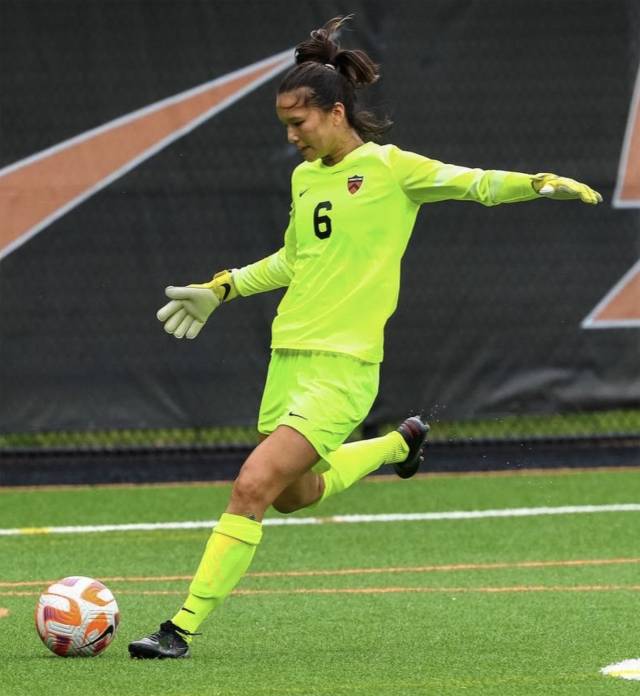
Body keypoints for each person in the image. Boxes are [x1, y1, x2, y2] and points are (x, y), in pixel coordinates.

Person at [128, 16, 602, 659]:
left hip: (344, 369)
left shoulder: (389, 169)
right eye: (285, 127)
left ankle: (178, 628)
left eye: (299, 123)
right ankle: (395, 445)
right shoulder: (304, 179)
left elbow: (476, 184)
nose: (291, 137)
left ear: (335, 110)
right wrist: (222, 288)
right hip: (289, 359)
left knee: (251, 486)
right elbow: (295, 260)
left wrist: (537, 182)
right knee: (294, 494)